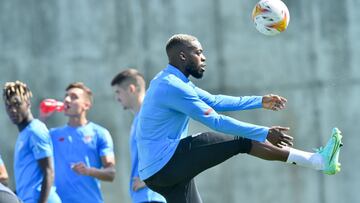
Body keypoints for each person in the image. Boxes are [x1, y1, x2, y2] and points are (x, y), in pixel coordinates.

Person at [135, 34, 343, 203]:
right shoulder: (173, 86)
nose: (204, 57)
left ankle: (319, 162)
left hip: (156, 174)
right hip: (167, 164)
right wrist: (265, 132)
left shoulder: (171, 80)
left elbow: (215, 101)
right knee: (242, 140)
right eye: (198, 52)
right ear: (182, 56)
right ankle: (318, 161)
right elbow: (216, 120)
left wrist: (259, 101)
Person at [43, 82, 115, 203]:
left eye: (73, 97)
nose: (66, 100)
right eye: (66, 96)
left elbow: (111, 173)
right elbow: (32, 145)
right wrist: (43, 117)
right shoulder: (52, 134)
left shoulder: (100, 133)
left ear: (87, 105)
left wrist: (88, 171)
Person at [111, 69, 166, 203]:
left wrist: (151, 181)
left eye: (118, 92)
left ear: (131, 89)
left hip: (152, 196)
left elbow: (168, 151)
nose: (117, 98)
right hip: (143, 196)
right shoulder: (138, 119)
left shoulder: (150, 117)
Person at [3, 81, 61, 203]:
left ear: (28, 103)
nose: (13, 110)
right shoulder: (24, 134)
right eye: (9, 106)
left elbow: (48, 171)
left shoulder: (35, 130)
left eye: (17, 104)